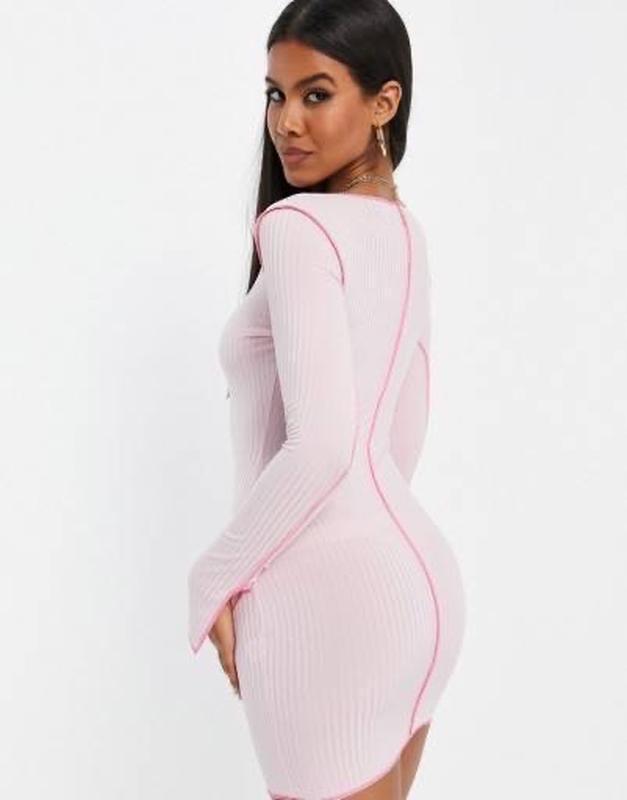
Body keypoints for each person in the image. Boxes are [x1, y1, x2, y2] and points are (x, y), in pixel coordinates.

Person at [187, 2, 467, 798]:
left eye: (316, 94)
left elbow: (320, 446)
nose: (287, 122)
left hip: (325, 599)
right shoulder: (404, 233)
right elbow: (402, 427)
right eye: (275, 95)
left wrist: (211, 579)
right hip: (417, 591)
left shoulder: (297, 226)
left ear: (384, 102)